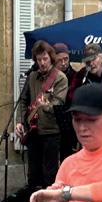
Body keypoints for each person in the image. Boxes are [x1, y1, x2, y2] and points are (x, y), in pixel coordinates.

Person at [16, 40, 68, 191]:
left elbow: (59, 103)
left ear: (51, 57)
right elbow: (23, 100)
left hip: (51, 132)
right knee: (33, 175)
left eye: (45, 59)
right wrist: (20, 122)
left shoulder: (60, 78)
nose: (42, 63)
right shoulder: (32, 76)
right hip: (33, 131)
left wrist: (46, 106)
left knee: (49, 174)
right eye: (39, 60)